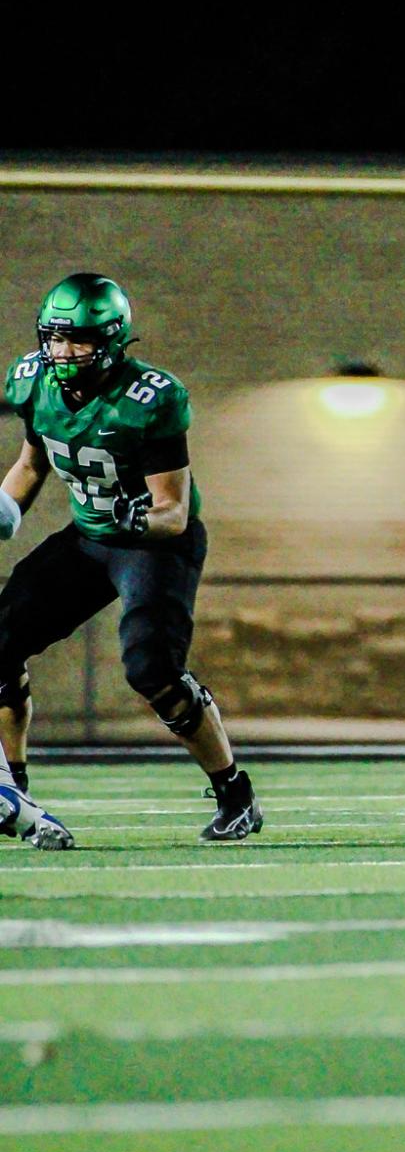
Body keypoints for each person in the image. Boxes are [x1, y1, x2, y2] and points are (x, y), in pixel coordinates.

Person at [0, 273, 262, 844]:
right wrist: (5, 510)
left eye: (80, 341)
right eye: (56, 338)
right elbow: (31, 465)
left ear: (114, 340)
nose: (64, 353)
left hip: (155, 543)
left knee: (151, 669)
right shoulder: (34, 383)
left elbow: (173, 509)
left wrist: (134, 517)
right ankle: (13, 787)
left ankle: (234, 793)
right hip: (90, 537)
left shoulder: (150, 399)